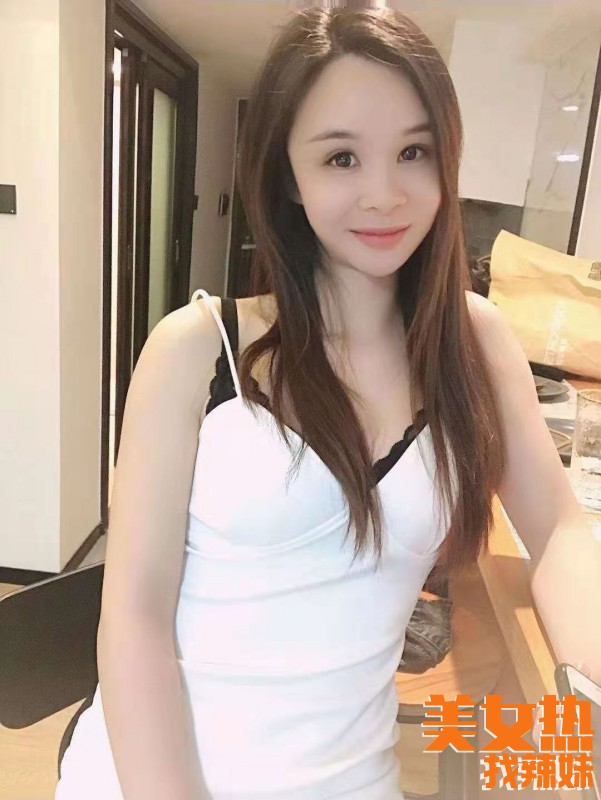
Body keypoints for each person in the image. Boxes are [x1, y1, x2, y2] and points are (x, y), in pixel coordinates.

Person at [55, 6, 601, 800]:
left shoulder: (473, 343)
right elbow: (134, 615)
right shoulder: (197, 350)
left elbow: (556, 529)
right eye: (341, 157)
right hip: (154, 777)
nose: (384, 194)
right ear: (288, 174)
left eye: (413, 152)